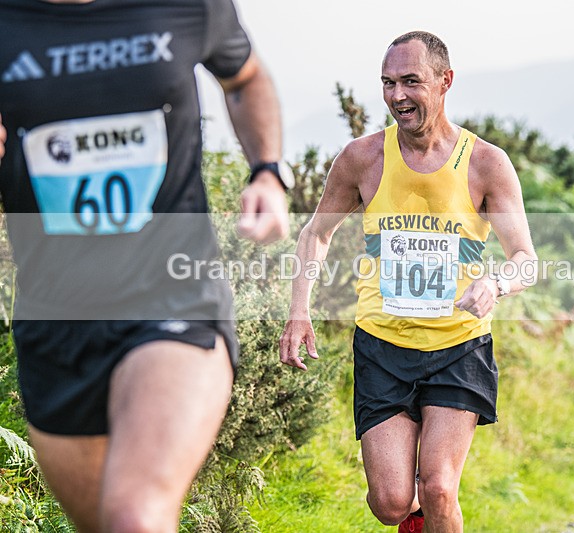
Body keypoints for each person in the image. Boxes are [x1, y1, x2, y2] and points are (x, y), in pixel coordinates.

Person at [0, 0, 291, 530]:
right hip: (55, 320)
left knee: (135, 514)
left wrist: (267, 173)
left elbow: (244, 77)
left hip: (174, 298)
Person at [280, 31, 537, 532]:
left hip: (458, 346)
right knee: (393, 503)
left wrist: (495, 284)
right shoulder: (363, 158)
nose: (397, 96)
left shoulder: (485, 163)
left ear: (445, 82)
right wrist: (298, 310)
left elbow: (525, 259)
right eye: (388, 83)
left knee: (439, 486)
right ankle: (412, 519)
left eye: (411, 82)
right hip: (382, 345)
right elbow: (317, 233)